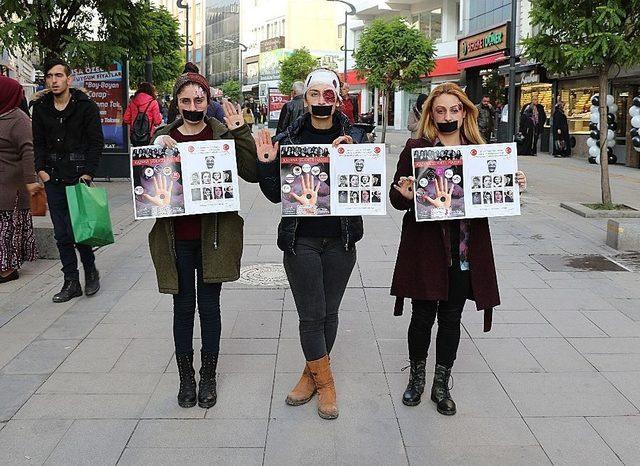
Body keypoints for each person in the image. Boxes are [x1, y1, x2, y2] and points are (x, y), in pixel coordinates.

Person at [390, 82, 526, 416]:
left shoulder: (480, 150)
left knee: (451, 318)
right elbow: (396, 197)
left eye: (454, 109)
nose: (448, 116)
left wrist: (514, 185)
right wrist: (405, 195)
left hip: (465, 250)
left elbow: (495, 199)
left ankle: (441, 382)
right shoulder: (416, 147)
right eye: (440, 110)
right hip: (426, 250)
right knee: (422, 316)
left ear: (464, 112)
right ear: (431, 114)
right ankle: (417, 378)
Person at [254, 68, 367, 420]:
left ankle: (310, 375)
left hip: (341, 238)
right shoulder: (288, 138)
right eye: (314, 95)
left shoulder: (357, 136)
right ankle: (327, 384)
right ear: (305, 99)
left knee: (329, 313)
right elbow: (275, 195)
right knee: (310, 314)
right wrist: (265, 165)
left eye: (327, 94)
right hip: (300, 238)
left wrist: (355, 158)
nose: (321, 101)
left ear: (338, 97)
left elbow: (369, 190)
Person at [150, 71, 258, 410]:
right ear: (177, 103)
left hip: (214, 238)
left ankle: (208, 376)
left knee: (210, 308)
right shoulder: (164, 135)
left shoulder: (221, 133)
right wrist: (157, 150)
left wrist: (241, 131)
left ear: (207, 100)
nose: (193, 106)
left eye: (199, 100)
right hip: (176, 238)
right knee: (182, 308)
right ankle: (186, 378)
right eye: (185, 101)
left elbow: (252, 172)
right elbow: (149, 186)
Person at [32, 57, 103, 303]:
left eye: (58, 76)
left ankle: (90, 271)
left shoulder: (86, 107)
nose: (54, 80)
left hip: (78, 176)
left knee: (80, 230)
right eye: (49, 76)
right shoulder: (41, 108)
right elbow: (38, 143)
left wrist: (88, 173)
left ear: (69, 79)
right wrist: (41, 170)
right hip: (53, 177)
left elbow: (96, 143)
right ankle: (71, 281)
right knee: (61, 234)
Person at [0, 76, 40, 283]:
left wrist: (31, 180)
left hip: (10, 186)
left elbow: (28, 152)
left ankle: (7, 270)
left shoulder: (19, 119)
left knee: (5, 229)